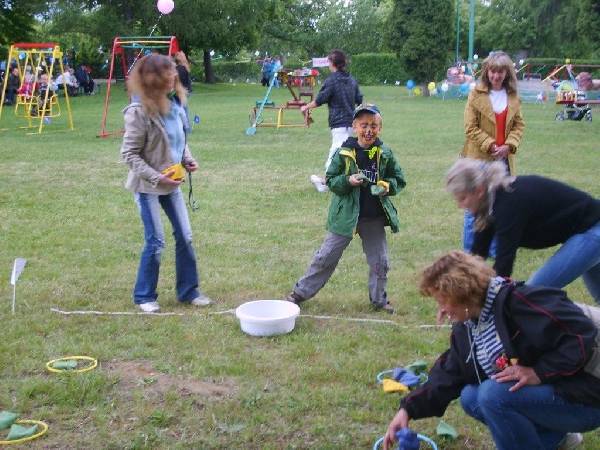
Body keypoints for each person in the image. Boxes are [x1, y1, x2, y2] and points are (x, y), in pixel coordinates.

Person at [383, 250, 600, 450]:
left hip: (587, 396)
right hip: (556, 394)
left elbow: (581, 335)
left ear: (462, 294)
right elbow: (450, 370)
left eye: (442, 302)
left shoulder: (519, 302)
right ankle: (554, 438)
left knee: (492, 395)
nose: (441, 310)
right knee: (471, 397)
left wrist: (539, 372)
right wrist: (407, 409)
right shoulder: (470, 325)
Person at [285, 104, 405, 313]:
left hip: (373, 217)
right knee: (325, 256)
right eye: (364, 125)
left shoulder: (385, 152)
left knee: (380, 261)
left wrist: (388, 186)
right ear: (354, 127)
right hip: (346, 215)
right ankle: (299, 293)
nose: (368, 130)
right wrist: (348, 181)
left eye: (373, 126)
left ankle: (379, 300)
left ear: (380, 128)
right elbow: (331, 180)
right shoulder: (344, 152)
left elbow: (399, 179)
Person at [120, 54, 212, 312]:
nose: (173, 78)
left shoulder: (175, 106)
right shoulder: (138, 112)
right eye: (167, 74)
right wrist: (156, 176)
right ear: (151, 80)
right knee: (156, 241)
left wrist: (187, 159)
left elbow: (178, 141)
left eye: (173, 73)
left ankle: (188, 291)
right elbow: (129, 154)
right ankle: (144, 296)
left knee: (185, 236)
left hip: (172, 185)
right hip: (147, 186)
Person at [446, 158, 600, 303]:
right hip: (586, 228)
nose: (460, 205)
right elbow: (477, 255)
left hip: (592, 229)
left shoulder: (507, 203)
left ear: (479, 190)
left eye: (462, 198)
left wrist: (483, 302)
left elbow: (504, 264)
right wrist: (457, 295)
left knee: (530, 295)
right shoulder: (488, 202)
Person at [461, 51, 525, 254]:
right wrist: (490, 145)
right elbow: (470, 127)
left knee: (500, 206)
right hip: (478, 159)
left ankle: (496, 251)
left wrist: (509, 145)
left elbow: (518, 125)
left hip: (503, 161)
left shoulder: (513, 96)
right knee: (474, 208)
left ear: (507, 73)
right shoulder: (476, 94)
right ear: (486, 72)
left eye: (500, 72)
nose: (496, 76)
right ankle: (470, 253)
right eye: (492, 71)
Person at [300, 49, 363, 193]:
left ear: (333, 63)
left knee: (335, 155)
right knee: (345, 154)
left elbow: (320, 99)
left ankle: (326, 183)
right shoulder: (351, 79)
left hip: (339, 125)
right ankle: (340, 181)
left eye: (329, 61)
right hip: (351, 124)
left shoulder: (332, 80)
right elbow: (359, 100)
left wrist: (306, 107)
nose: (328, 64)